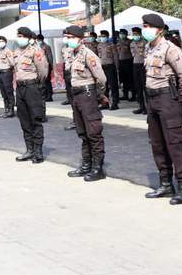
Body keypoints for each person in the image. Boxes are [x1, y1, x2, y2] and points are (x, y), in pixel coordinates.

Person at [141, 13, 182, 205]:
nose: (145, 29)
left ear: (160, 30)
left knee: (174, 143)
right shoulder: (148, 48)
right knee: (157, 143)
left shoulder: (170, 49)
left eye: (148, 26)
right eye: (143, 26)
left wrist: (181, 99)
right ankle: (165, 183)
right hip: (152, 99)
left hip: (167, 98)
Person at [64, 26, 108, 181]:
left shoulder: (88, 55)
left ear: (79, 38)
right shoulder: (71, 54)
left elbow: (101, 79)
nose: (68, 40)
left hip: (87, 94)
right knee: (82, 132)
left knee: (93, 132)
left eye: (70, 37)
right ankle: (86, 165)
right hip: (77, 96)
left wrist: (98, 94)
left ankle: (98, 168)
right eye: (67, 37)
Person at [13, 27, 49, 164]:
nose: (19, 38)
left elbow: (43, 71)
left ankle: (38, 152)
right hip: (20, 88)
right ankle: (29, 150)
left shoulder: (36, 51)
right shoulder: (16, 52)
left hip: (32, 87)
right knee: (24, 120)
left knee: (35, 119)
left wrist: (36, 84)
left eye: (21, 36)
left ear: (28, 38)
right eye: (18, 35)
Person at [97, 30, 120, 110]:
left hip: (110, 66)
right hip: (102, 67)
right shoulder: (99, 45)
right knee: (104, 86)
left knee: (113, 85)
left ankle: (115, 102)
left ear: (107, 37)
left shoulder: (111, 45)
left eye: (104, 36)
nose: (102, 38)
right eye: (101, 36)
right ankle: (105, 103)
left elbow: (115, 56)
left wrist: (117, 67)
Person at [0, 35, 16, 119]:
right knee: (3, 92)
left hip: (7, 72)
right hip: (1, 73)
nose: (0, 43)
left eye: (2, 41)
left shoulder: (8, 51)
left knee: (8, 91)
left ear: (5, 42)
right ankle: (6, 110)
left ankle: (11, 110)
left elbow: (12, 63)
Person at [130, 27, 147, 115]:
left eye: (136, 34)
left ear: (140, 34)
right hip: (135, 65)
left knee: (145, 87)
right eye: (134, 34)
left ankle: (147, 107)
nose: (135, 35)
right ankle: (141, 106)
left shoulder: (145, 42)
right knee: (138, 87)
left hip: (143, 65)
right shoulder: (132, 43)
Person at [116, 29, 134, 101]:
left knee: (130, 79)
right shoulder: (118, 42)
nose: (121, 35)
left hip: (128, 62)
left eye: (123, 34)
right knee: (123, 80)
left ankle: (133, 95)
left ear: (126, 34)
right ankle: (125, 94)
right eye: (120, 34)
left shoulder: (130, 42)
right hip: (121, 62)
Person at [36, 34, 54, 102]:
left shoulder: (46, 47)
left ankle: (49, 96)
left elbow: (50, 57)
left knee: (47, 82)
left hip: (46, 66)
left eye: (38, 40)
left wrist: (51, 67)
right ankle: (44, 95)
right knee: (42, 82)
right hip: (41, 67)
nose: (37, 41)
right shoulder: (37, 47)